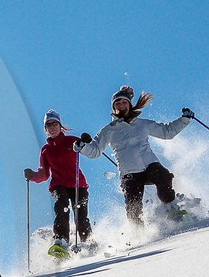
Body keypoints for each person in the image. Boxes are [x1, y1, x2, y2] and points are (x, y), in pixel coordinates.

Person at [78, 85, 194, 227]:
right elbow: (95, 150)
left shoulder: (142, 124)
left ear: (130, 105)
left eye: (124, 102)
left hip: (149, 164)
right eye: (118, 103)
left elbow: (167, 132)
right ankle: (138, 234)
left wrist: (184, 119)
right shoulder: (109, 130)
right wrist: (83, 147)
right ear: (113, 107)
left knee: (163, 176)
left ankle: (172, 210)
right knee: (133, 210)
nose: (121, 106)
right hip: (129, 173)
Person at [24, 109, 92, 257]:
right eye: (48, 125)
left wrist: (85, 142)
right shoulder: (46, 150)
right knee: (61, 206)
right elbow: (43, 174)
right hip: (58, 184)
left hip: (78, 184)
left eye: (54, 123)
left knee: (80, 214)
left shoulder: (71, 141)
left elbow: (88, 149)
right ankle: (61, 241)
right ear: (45, 129)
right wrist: (33, 176)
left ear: (60, 126)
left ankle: (87, 241)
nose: (52, 127)